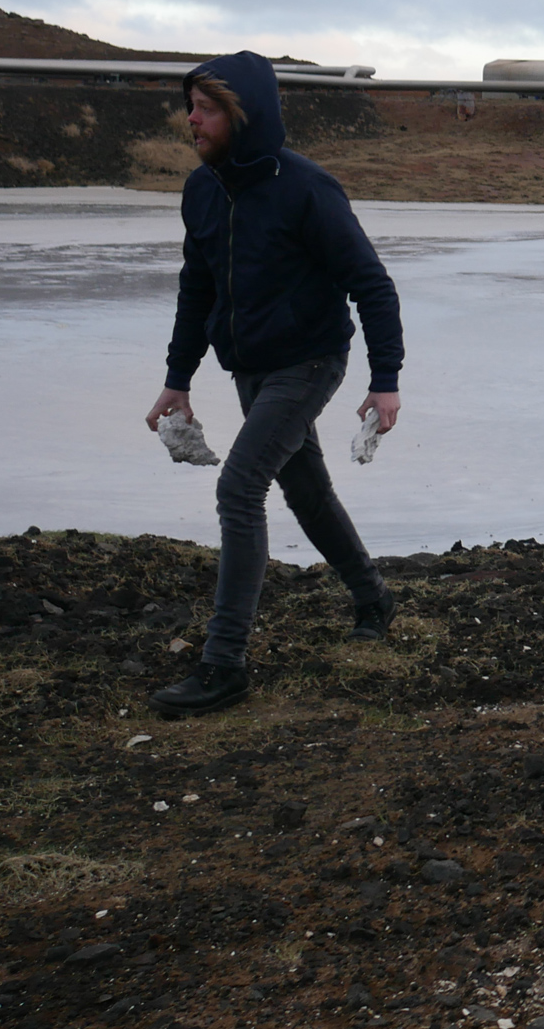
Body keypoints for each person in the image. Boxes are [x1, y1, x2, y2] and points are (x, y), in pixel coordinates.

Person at [143, 51, 405, 718]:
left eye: (206, 108)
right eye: (191, 106)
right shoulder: (202, 190)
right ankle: (373, 597)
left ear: (243, 115)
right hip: (250, 366)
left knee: (240, 487)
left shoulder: (307, 188)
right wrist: (178, 378)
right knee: (307, 491)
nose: (191, 119)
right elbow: (197, 288)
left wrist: (385, 379)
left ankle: (223, 664)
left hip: (311, 361)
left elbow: (372, 284)